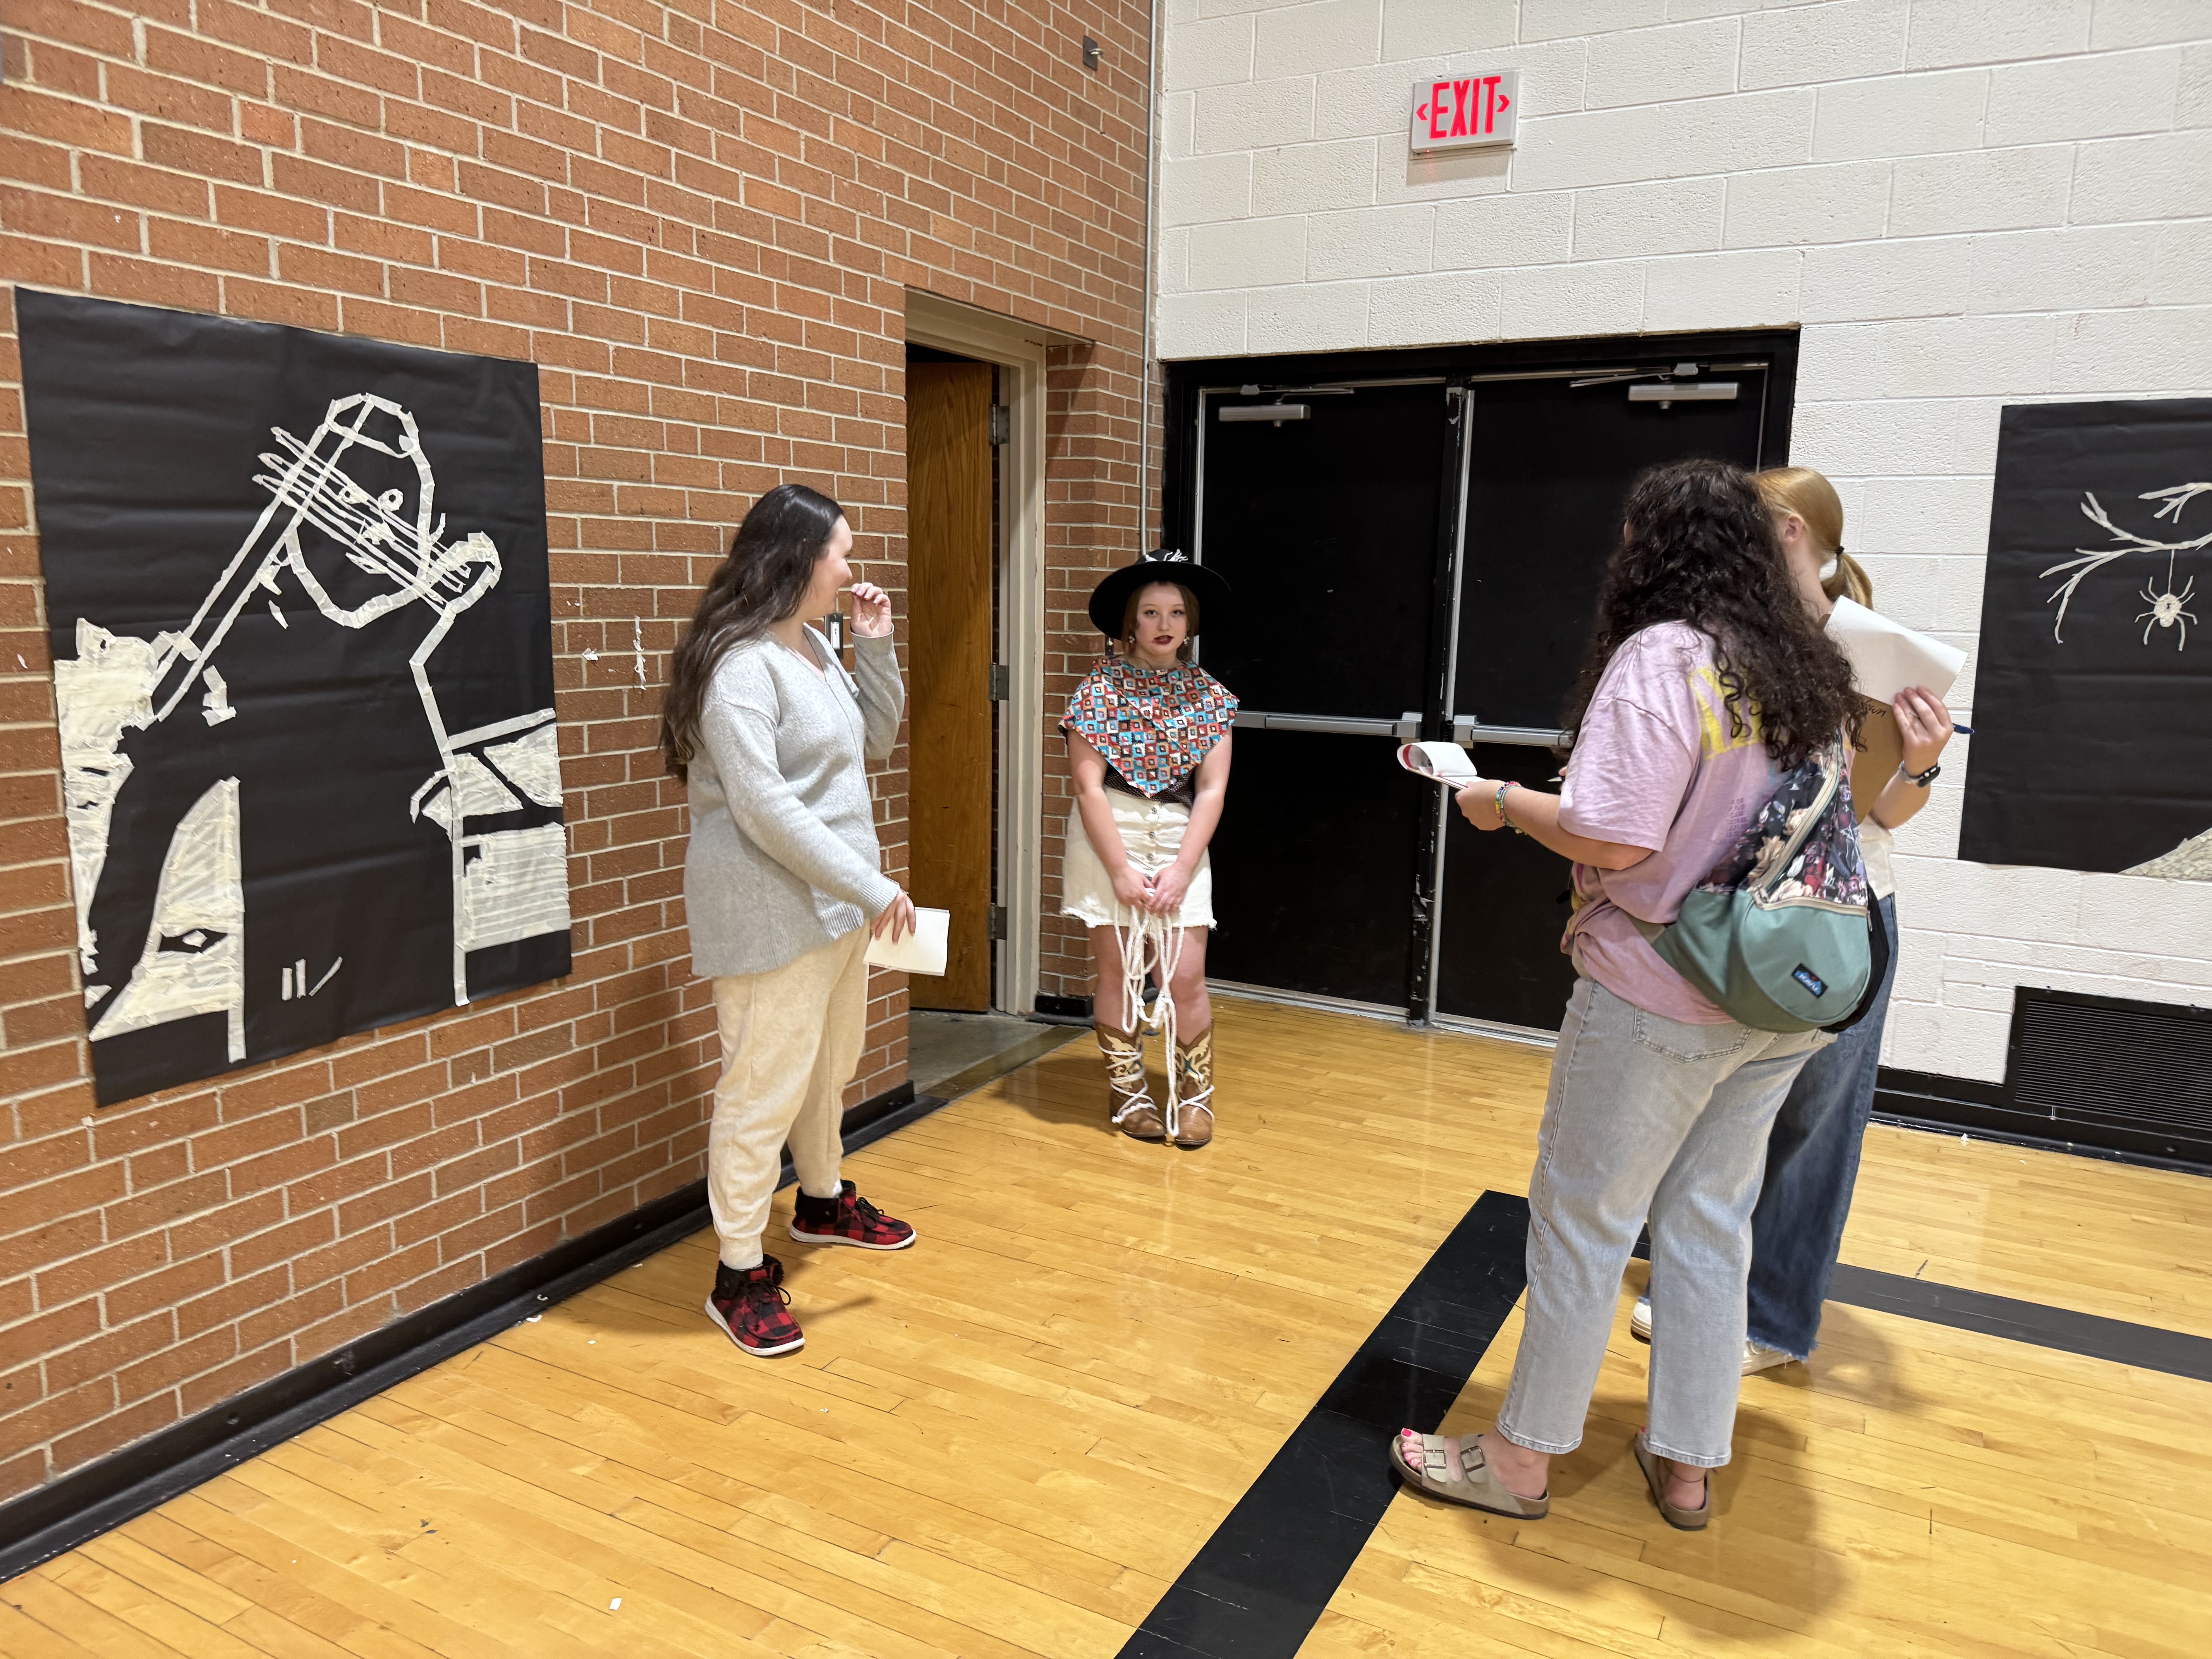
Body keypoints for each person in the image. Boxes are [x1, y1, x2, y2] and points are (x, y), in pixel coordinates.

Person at [1391, 459, 1863, 1531]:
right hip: (1778, 998)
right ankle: (1688, 1463)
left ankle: (1519, 1461)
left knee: (1584, 1222)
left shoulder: (1665, 655)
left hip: (1661, 992)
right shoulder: (1798, 661)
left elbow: (1615, 837)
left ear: (1658, 551)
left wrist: (1501, 800)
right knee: (1709, 1222)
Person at [1630, 466, 1957, 1370]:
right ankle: (1692, 1278)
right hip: (1735, 905)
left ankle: (1771, 1318)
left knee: (1813, 1122)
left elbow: (1883, 813)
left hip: (1839, 914)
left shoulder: (1872, 649)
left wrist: (1923, 762)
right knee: (1712, 1100)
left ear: (1785, 532)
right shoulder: (1723, 637)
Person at [659, 484, 919, 1359]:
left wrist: (875, 647)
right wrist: (873, 887)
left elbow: (874, 742)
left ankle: (820, 1200)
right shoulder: (741, 669)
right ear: (797, 559)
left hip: (835, 903)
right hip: (769, 912)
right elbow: (765, 810)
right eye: (841, 553)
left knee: (828, 1067)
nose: (851, 570)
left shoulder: (811, 645)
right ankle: (737, 1273)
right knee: (761, 1090)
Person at [1060, 551, 1236, 1149]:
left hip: (1182, 837)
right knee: (1120, 971)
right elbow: (1088, 786)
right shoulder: (1099, 689)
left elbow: (1212, 790)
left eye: (1177, 613)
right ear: (1131, 622)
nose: (1165, 624)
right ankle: (1128, 1091)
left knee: (1184, 976)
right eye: (1152, 612)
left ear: (1191, 623)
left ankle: (1195, 1098)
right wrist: (1119, 869)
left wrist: (1183, 869)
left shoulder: (1210, 696)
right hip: (1111, 833)